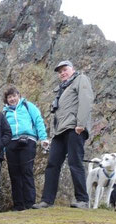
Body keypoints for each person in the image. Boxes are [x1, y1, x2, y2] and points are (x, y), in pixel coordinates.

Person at [33, 60, 94, 209]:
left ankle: (82, 200)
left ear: (72, 69)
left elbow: (86, 100)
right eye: (60, 72)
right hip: (59, 132)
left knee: (75, 162)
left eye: (65, 70)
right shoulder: (61, 88)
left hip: (74, 128)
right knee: (52, 164)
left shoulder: (81, 79)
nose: (62, 73)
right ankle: (47, 200)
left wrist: (80, 124)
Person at [2, 86, 49, 211]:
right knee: (14, 174)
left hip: (28, 141)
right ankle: (18, 205)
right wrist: (2, 150)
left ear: (19, 95)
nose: (12, 99)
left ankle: (30, 203)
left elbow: (38, 120)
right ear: (6, 100)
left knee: (26, 171)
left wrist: (43, 137)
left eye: (14, 96)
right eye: (9, 97)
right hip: (11, 143)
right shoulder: (5, 112)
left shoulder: (28, 106)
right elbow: (2, 131)